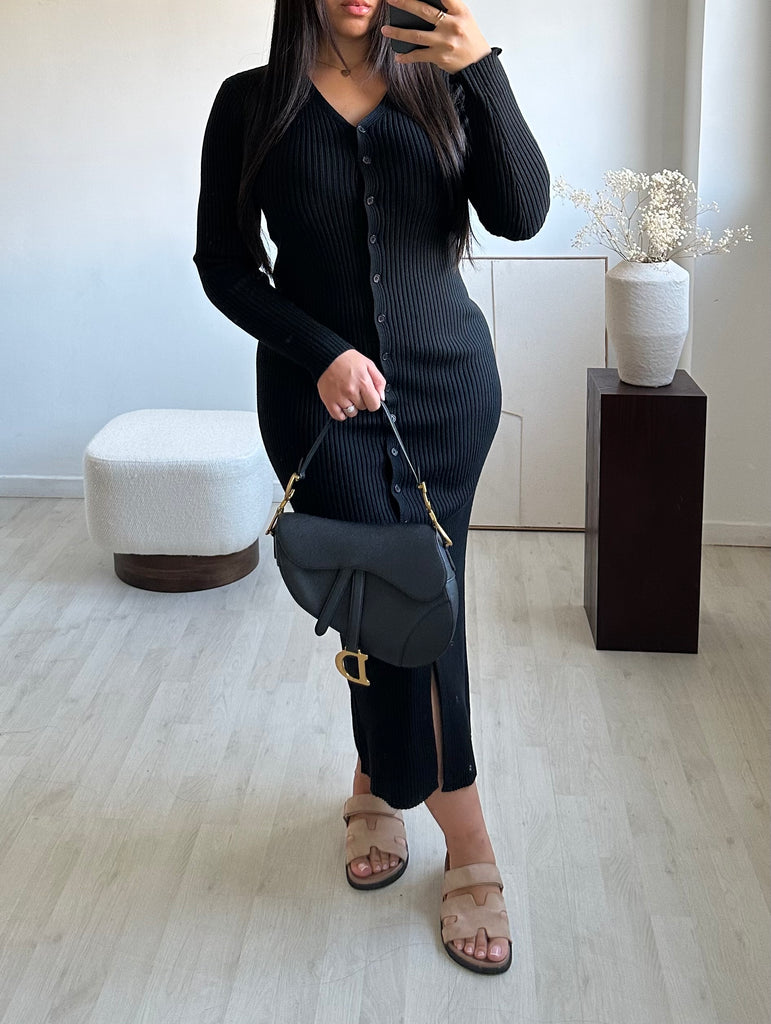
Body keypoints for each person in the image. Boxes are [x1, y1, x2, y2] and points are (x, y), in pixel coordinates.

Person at [194, 0, 549, 975]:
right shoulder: (250, 104)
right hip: (321, 407)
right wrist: (319, 350)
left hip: (446, 395)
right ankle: (453, 824)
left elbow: (521, 215)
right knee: (386, 605)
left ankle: (392, 791)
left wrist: (483, 69)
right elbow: (225, 265)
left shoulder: (446, 87)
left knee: (418, 605)